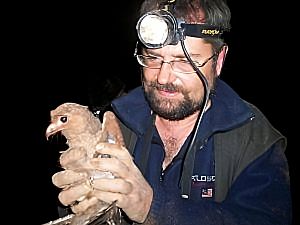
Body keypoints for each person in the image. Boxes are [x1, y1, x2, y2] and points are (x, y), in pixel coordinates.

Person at [51, 0, 292, 224]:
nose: (164, 77)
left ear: (218, 61)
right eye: (153, 58)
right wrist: (82, 205)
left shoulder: (253, 138)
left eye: (185, 62)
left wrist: (152, 206)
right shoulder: (116, 121)